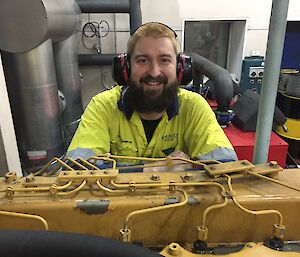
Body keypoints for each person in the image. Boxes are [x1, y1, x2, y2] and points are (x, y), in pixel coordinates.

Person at [67, 22, 237, 169]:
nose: (154, 72)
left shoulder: (194, 107)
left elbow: (226, 168)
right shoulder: (102, 106)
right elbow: (75, 170)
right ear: (126, 68)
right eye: (143, 60)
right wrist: (152, 169)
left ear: (180, 68)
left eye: (164, 60)